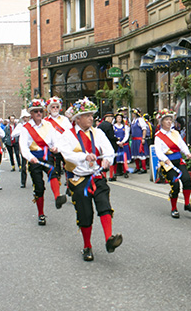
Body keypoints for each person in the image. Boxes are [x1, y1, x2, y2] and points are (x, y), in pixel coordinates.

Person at [58, 97, 122, 262]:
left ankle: (109, 239)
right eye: (87, 115)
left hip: (96, 175)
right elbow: (67, 154)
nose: (91, 118)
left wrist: (108, 160)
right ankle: (87, 246)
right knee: (85, 214)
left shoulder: (98, 132)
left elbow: (108, 150)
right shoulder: (68, 135)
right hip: (79, 179)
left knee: (104, 204)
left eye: (92, 115)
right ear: (77, 118)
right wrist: (84, 156)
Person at [19, 99, 67, 226]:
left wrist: (56, 147)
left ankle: (57, 197)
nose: (39, 113)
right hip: (34, 157)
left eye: (40, 111)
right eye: (36, 111)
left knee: (53, 172)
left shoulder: (48, 125)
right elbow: (23, 147)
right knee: (39, 187)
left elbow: (55, 140)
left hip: (47, 155)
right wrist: (30, 158)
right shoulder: (26, 128)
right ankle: (41, 214)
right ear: (31, 113)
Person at [154, 108, 191, 218]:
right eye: (166, 119)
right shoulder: (158, 136)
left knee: (187, 179)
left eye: (170, 120)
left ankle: (187, 204)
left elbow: (182, 145)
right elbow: (158, 151)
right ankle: (174, 208)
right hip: (167, 164)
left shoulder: (175, 133)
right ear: (161, 122)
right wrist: (165, 159)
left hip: (178, 160)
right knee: (175, 185)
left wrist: (188, 153)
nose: (169, 121)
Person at [44, 96, 73, 181]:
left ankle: (69, 186)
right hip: (52, 149)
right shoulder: (45, 121)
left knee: (68, 168)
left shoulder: (64, 119)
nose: (55, 109)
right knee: (55, 171)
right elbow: (44, 135)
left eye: (57, 107)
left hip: (64, 148)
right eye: (53, 107)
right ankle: (57, 189)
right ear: (49, 109)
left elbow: (70, 132)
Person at [11, 109, 31, 188]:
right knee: (23, 166)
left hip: (31, 147)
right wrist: (22, 131)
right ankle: (23, 182)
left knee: (34, 166)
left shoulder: (31, 125)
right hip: (24, 147)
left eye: (27, 117)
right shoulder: (20, 126)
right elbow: (13, 134)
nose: (26, 118)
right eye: (24, 117)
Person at [98, 111, 119, 181]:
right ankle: (111, 176)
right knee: (111, 160)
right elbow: (111, 136)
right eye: (112, 118)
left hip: (101, 145)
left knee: (103, 160)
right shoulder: (109, 125)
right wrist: (117, 138)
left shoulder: (100, 125)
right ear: (109, 118)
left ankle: (103, 176)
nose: (112, 120)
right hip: (110, 144)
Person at [130, 108, 149, 174]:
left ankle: (144, 168)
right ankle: (137, 167)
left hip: (139, 139)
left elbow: (144, 129)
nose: (132, 114)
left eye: (133, 113)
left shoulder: (140, 120)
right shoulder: (134, 120)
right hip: (134, 140)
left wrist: (143, 138)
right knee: (135, 154)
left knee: (141, 154)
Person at [113, 113, 131, 178]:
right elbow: (113, 135)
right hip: (117, 145)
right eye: (118, 118)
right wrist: (118, 142)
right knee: (116, 159)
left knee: (124, 159)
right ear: (116, 119)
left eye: (120, 118)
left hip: (124, 144)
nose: (119, 119)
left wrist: (122, 142)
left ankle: (125, 172)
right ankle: (114, 172)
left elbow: (127, 135)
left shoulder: (125, 126)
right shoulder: (113, 126)